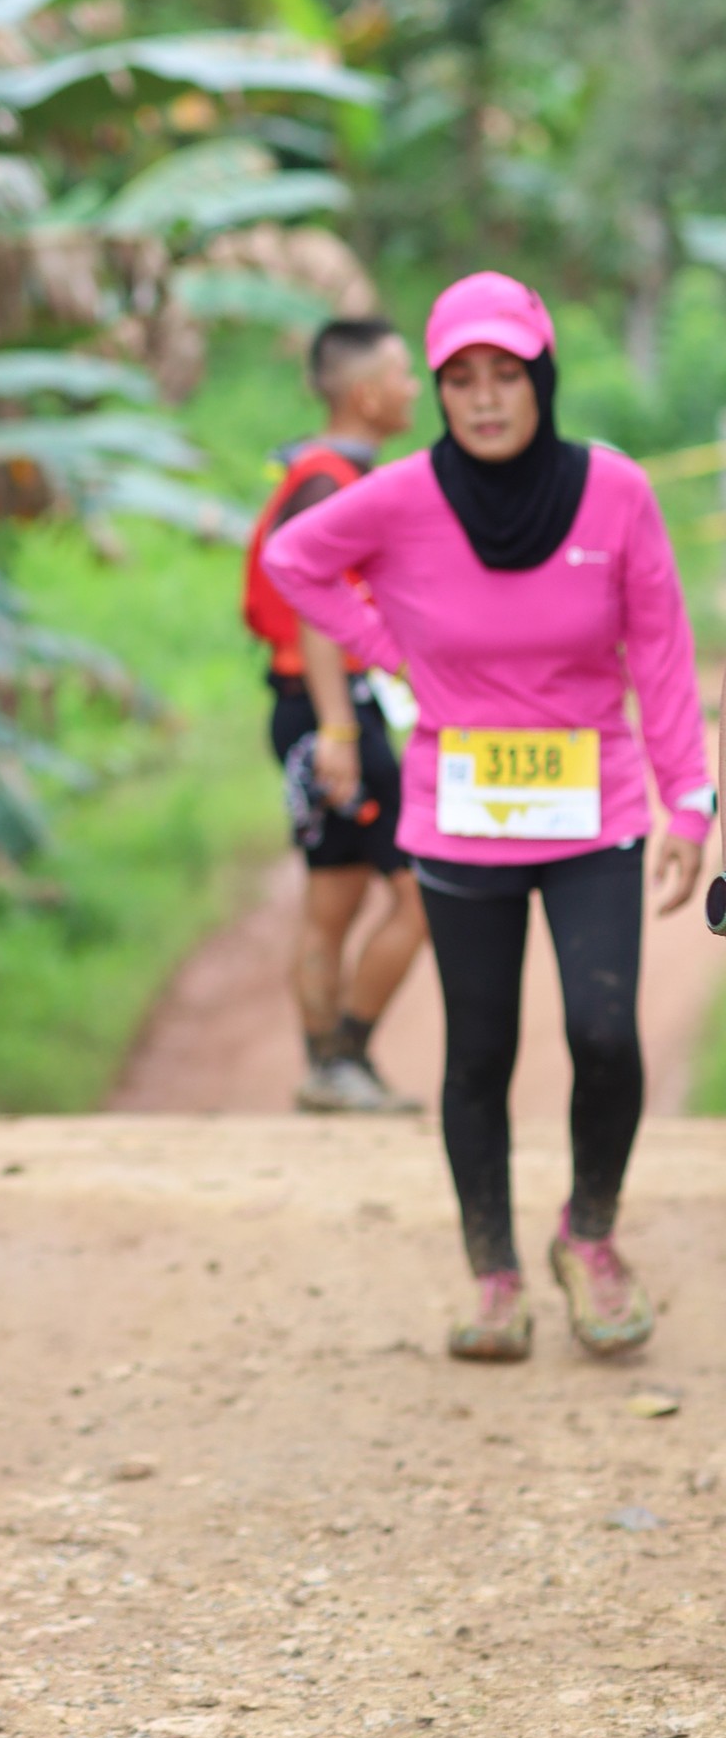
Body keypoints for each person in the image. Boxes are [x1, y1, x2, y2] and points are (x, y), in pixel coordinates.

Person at [264, 272, 710, 1363]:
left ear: (540, 378)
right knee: (480, 1049)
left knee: (604, 1034)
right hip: (463, 815)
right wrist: (391, 648)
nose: (484, 399)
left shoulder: (614, 492)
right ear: (439, 392)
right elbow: (293, 560)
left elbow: (661, 646)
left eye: (505, 374)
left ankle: (588, 1237)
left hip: (594, 809)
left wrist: (691, 802)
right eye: (460, 379)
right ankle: (494, 1276)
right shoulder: (403, 496)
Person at [243, 314, 430, 1113]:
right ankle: (339, 1059)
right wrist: (340, 732)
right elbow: (311, 603)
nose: (415, 388)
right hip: (331, 712)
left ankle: (333, 1067)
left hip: (329, 711)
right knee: (412, 893)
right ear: (366, 394)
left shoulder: (329, 472)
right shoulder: (326, 481)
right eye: (404, 374)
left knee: (339, 897)